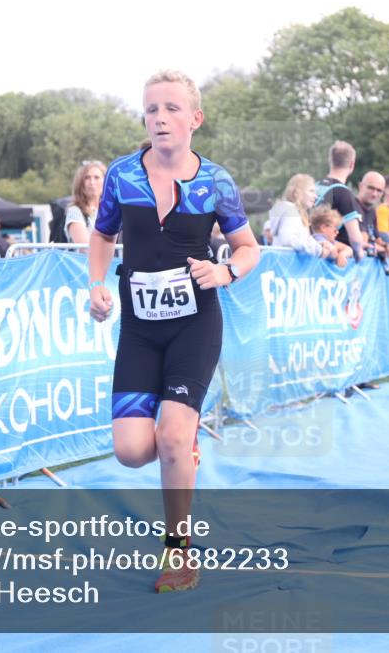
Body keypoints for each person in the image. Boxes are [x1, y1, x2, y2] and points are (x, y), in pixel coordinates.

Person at [87, 70, 260, 594]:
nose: (160, 118)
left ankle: (178, 552)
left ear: (195, 119)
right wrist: (96, 284)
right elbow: (101, 235)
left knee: (174, 435)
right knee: (133, 450)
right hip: (140, 329)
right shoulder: (121, 176)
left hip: (196, 324)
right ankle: (180, 452)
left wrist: (225, 271)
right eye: (151, 110)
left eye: (171, 108)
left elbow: (249, 247)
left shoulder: (216, 182)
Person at [315, 141, 367, 262]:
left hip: (309, 251)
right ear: (352, 165)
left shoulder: (314, 186)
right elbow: (355, 239)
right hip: (326, 256)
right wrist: (359, 251)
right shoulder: (343, 192)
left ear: (330, 162)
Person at [267, 174, 339, 261]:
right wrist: (319, 250)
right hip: (285, 269)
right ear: (297, 193)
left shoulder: (296, 212)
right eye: (311, 191)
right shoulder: (290, 211)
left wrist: (319, 244)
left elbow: (296, 240)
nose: (315, 196)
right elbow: (289, 240)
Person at [66, 161, 107, 246]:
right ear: (80, 183)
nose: (92, 182)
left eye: (97, 177)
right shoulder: (74, 211)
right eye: (87, 178)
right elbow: (86, 248)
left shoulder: (111, 210)